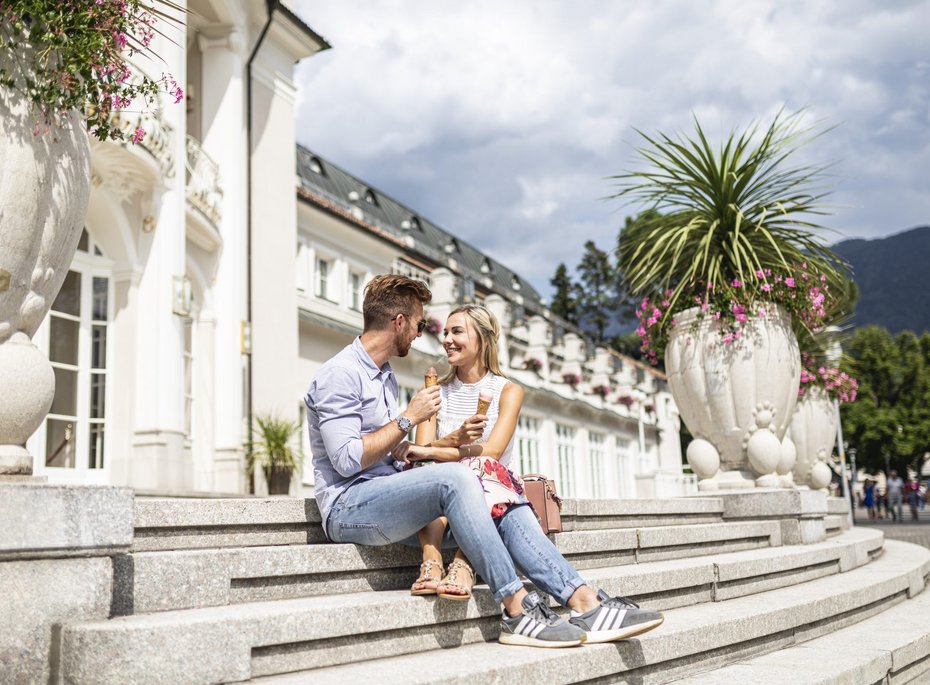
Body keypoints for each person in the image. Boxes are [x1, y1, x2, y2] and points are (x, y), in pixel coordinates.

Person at [305, 274, 664, 648]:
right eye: (419, 323)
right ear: (398, 322)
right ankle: (516, 609)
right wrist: (408, 420)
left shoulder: (382, 375)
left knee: (502, 507)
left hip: (386, 496)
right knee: (458, 479)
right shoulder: (340, 374)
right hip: (349, 506)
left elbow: (391, 450)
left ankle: (585, 602)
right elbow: (347, 461)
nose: (422, 333)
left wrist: (435, 443)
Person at [399, 304, 533, 601]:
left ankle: (464, 563)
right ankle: (431, 561)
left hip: (489, 487)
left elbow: (493, 452)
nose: (447, 339)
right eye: (445, 332)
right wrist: (456, 439)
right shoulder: (436, 392)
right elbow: (422, 452)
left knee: (480, 466)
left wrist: (447, 449)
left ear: (483, 339)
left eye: (457, 331)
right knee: (423, 472)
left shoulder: (508, 390)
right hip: (442, 486)